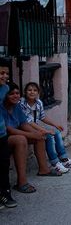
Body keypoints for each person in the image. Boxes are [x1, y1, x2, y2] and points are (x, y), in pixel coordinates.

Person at [1, 82, 62, 186]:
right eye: (11, 94)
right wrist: (31, 135)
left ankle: (44, 169)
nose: (15, 96)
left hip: (15, 134)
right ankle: (22, 182)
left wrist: (37, 133)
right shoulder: (2, 108)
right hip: (4, 137)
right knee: (21, 139)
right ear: (5, 96)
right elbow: (9, 130)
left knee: (39, 136)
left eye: (17, 93)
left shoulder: (16, 106)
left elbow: (24, 123)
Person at [20, 82, 71, 174]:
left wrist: (55, 125)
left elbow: (42, 117)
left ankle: (64, 159)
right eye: (29, 90)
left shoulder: (38, 103)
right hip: (25, 128)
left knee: (56, 132)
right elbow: (29, 121)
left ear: (38, 93)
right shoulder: (22, 103)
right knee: (48, 135)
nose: (32, 92)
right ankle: (55, 163)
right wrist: (44, 130)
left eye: (35, 90)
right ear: (25, 92)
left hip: (35, 127)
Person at [0, 58, 17, 208]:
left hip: (1, 133)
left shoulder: (5, 89)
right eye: (1, 73)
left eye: (6, 73)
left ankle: (5, 194)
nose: (5, 76)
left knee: (4, 164)